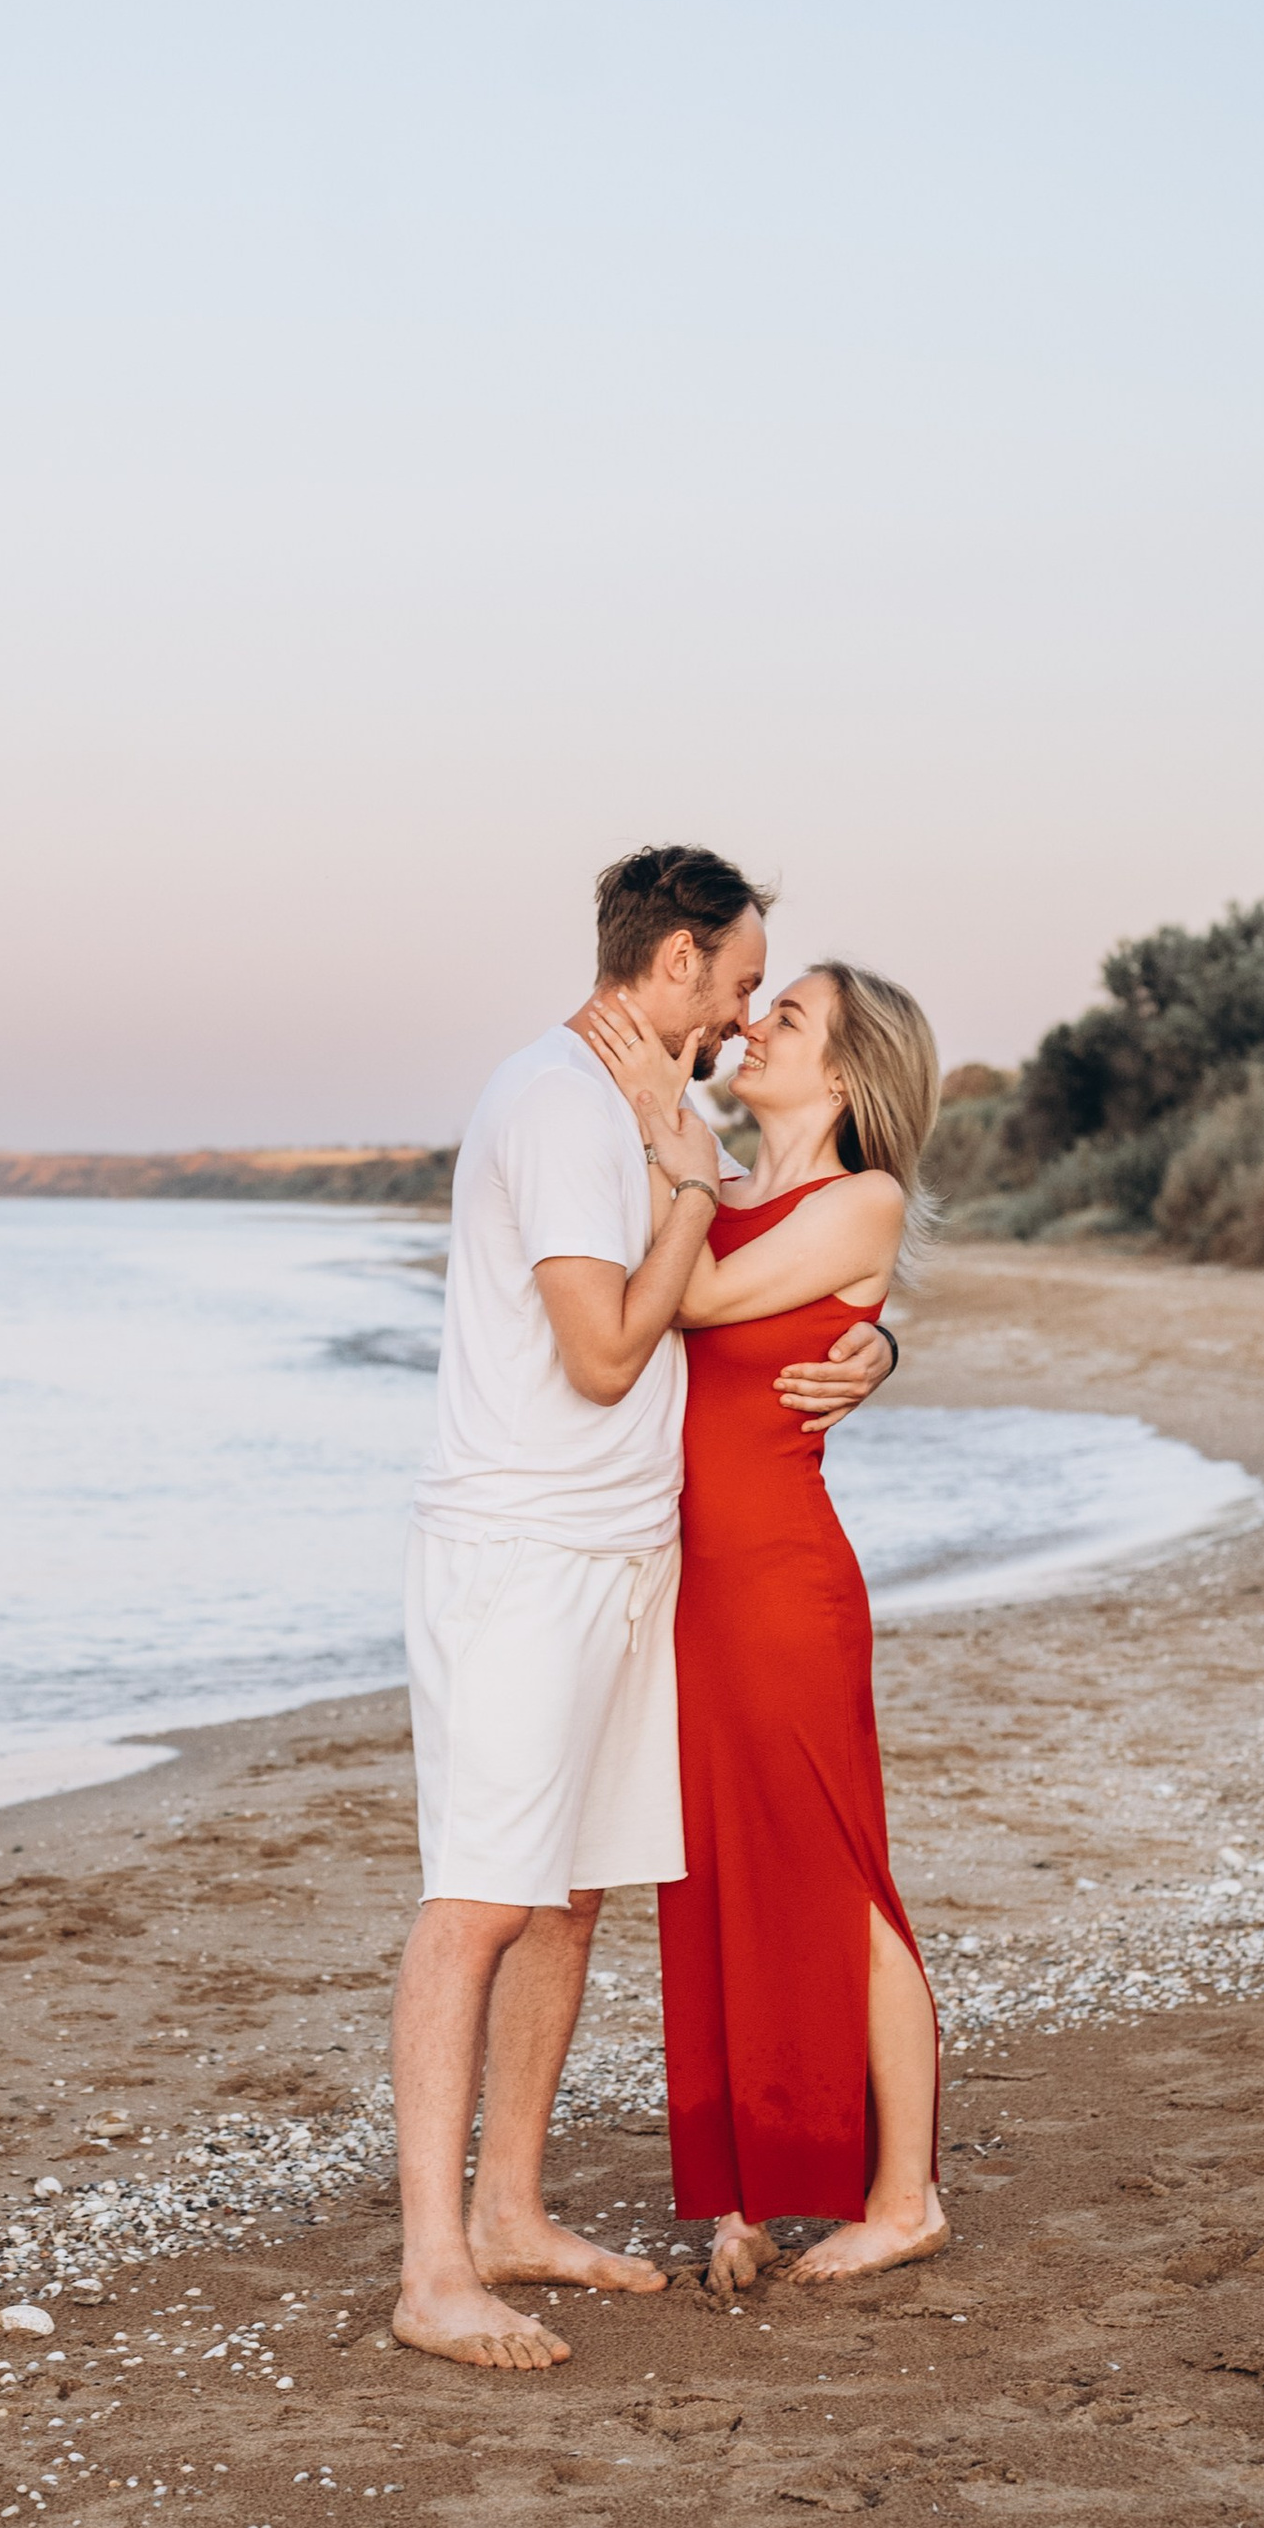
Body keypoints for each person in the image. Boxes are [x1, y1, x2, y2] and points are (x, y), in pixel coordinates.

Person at [391, 851, 901, 2370]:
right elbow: (611, 1351)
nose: (748, 1017)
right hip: (524, 1553)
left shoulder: (642, 1114)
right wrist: (683, 1177)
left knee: (568, 1890)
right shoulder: (563, 1105)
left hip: (629, 1558)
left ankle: (513, 2213)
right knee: (481, 1894)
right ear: (677, 961)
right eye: (744, 980)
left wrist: (881, 1345)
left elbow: (797, 1251)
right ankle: (434, 2270)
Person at [587, 960, 947, 2289]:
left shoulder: (866, 1198)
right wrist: (681, 1159)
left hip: (787, 1587)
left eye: (784, 1016)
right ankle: (744, 2192)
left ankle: (904, 2195)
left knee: (837, 1877)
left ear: (846, 1074)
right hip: (697, 1589)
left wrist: (661, 1131)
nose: (753, 1025)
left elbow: (689, 1301)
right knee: (717, 1875)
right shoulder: (724, 1189)